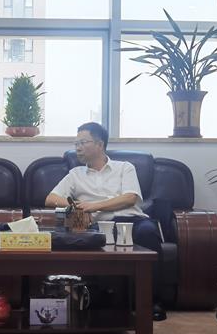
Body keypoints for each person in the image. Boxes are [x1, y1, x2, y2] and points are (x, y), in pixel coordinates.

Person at [45, 122, 168, 321]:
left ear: (100, 144)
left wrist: (93, 206)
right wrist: (77, 206)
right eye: (76, 143)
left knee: (148, 232)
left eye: (83, 142)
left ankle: (153, 302)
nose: (77, 148)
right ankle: (107, 301)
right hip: (99, 226)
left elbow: (130, 198)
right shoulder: (75, 174)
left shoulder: (124, 168)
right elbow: (51, 198)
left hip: (132, 220)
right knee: (88, 240)